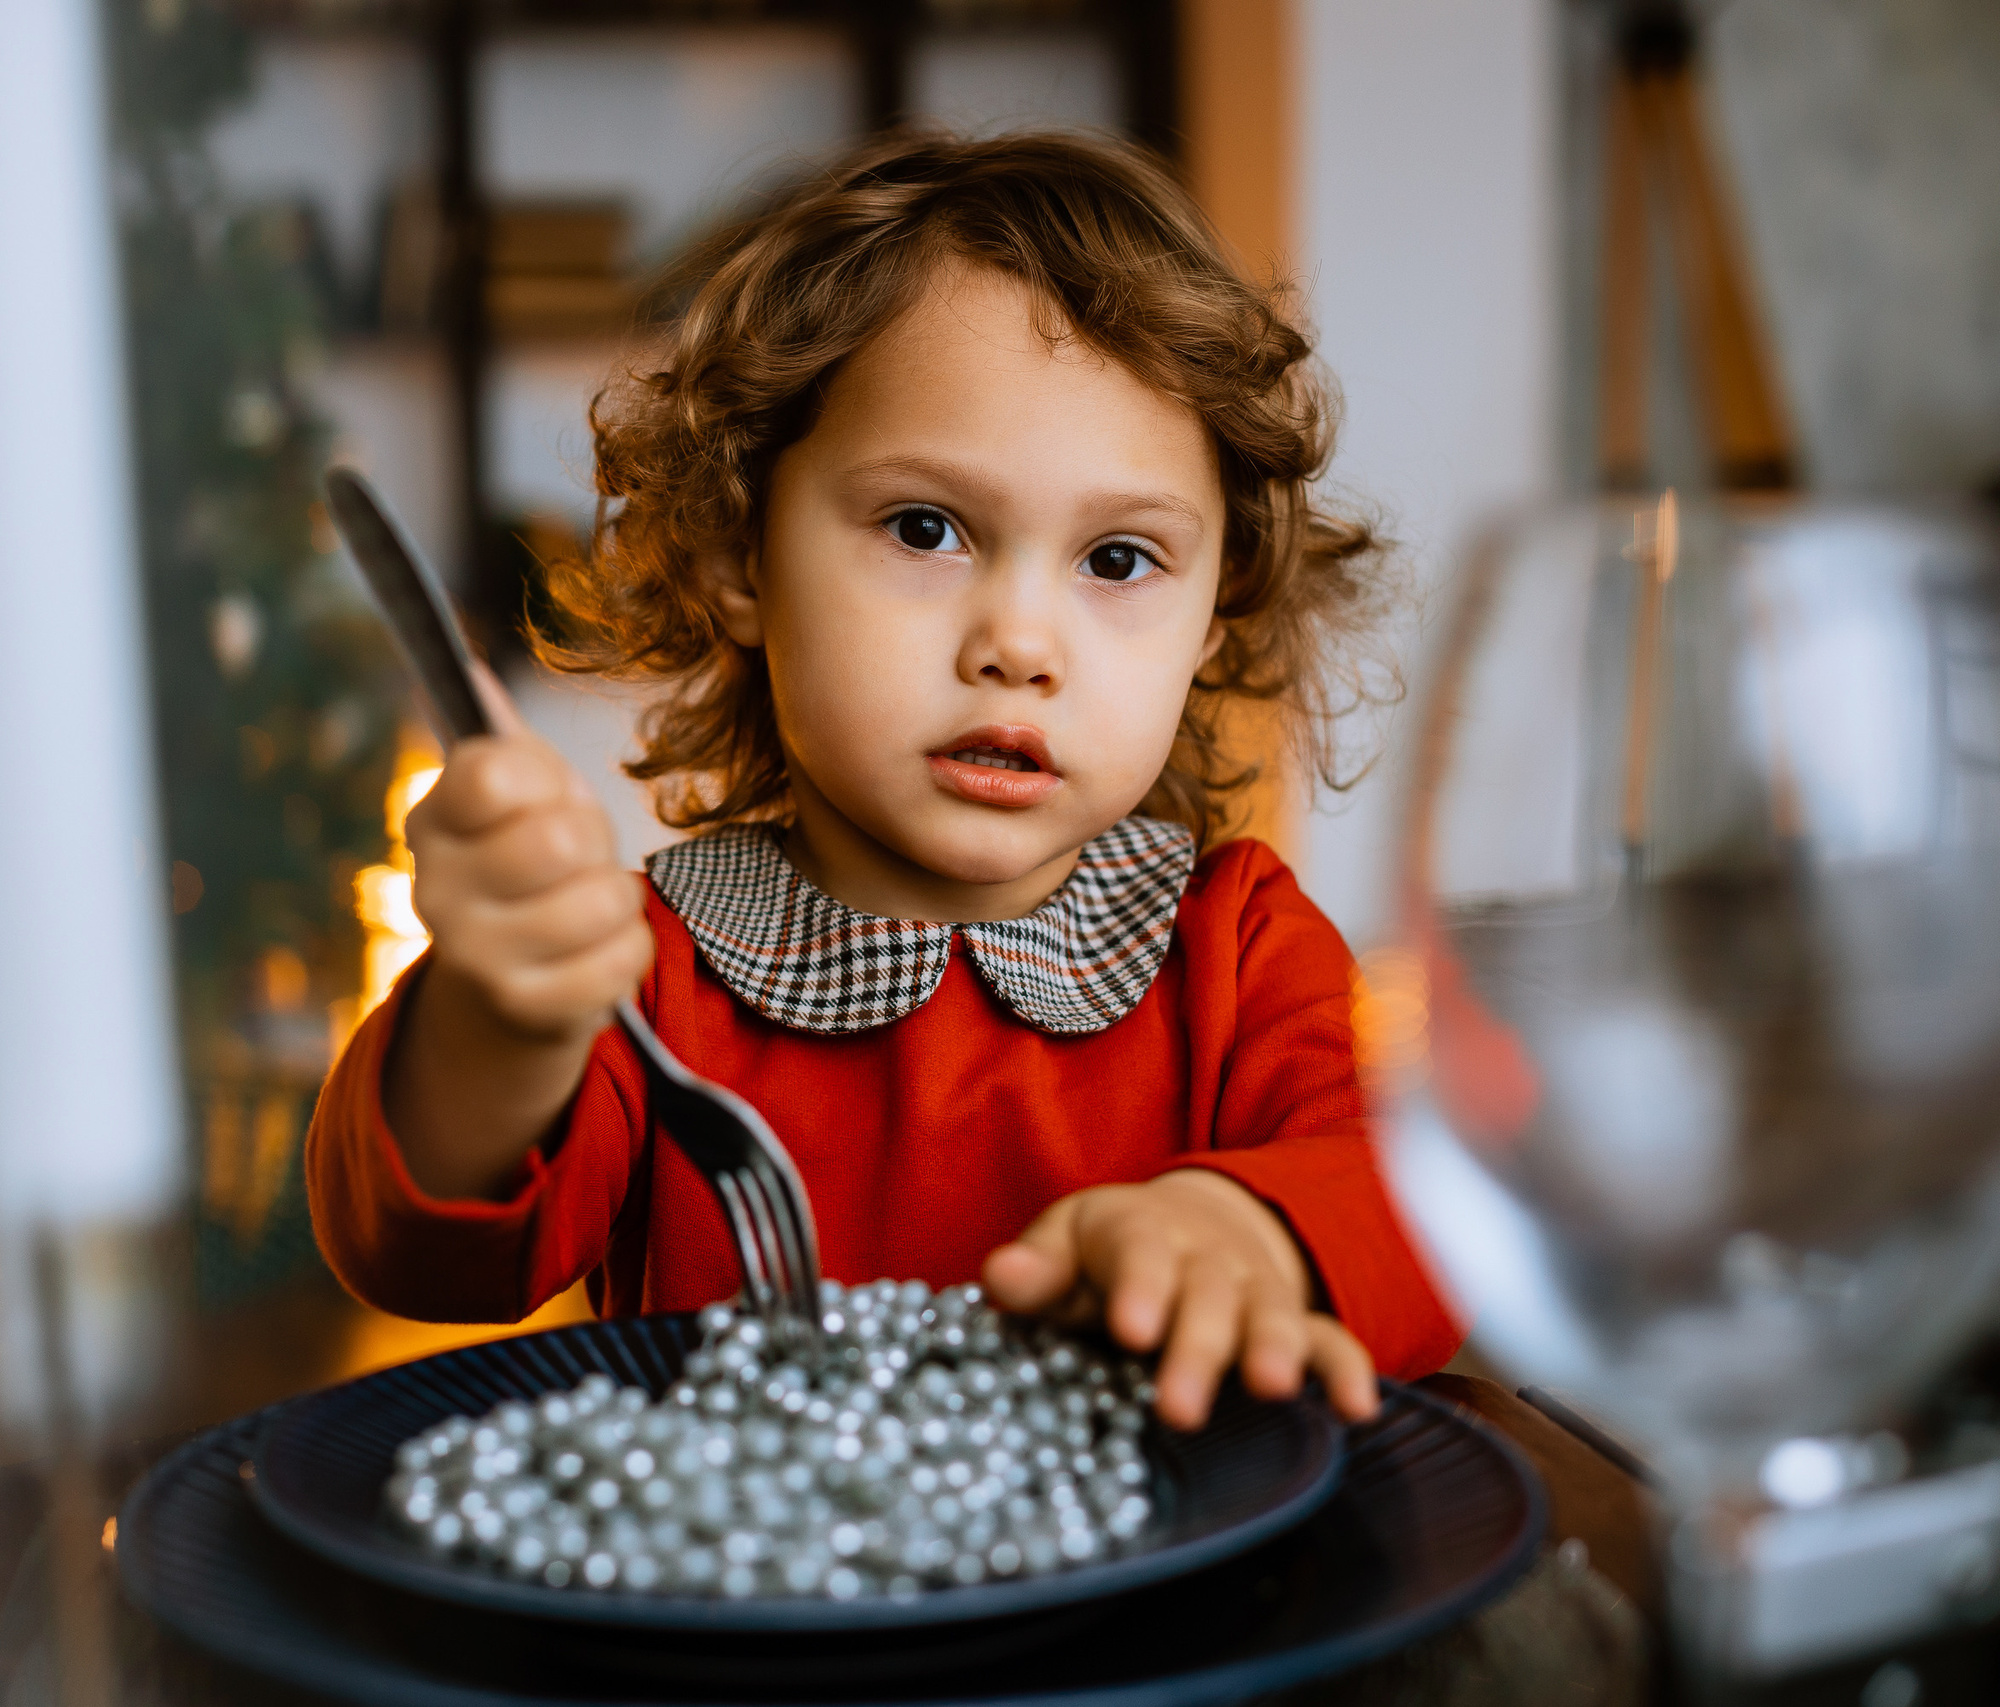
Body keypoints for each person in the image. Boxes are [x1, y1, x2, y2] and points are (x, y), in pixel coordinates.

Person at [308, 130, 1461, 1431]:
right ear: (741, 554)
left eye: (1120, 559)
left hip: (1164, 1626)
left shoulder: (1243, 952)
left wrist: (1255, 1232)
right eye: (926, 528)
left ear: (1211, 621)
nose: (1019, 644)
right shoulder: (642, 979)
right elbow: (419, 1255)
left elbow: (1432, 1218)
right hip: (749, 1620)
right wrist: (499, 1028)